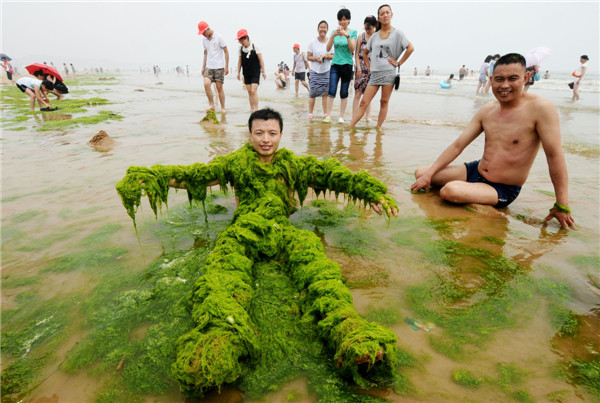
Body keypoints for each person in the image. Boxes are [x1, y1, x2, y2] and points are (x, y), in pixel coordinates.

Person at [116, 107, 400, 396]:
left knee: (317, 269)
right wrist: (152, 178)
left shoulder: (292, 165)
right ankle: (219, 339)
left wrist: (371, 193)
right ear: (250, 134)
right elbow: (195, 176)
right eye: (259, 133)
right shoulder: (236, 163)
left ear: (281, 135)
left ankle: (348, 331)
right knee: (223, 273)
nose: (266, 139)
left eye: (272, 133)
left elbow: (332, 175)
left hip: (282, 230)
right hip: (243, 230)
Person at [411, 53, 575, 229]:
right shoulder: (487, 111)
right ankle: (469, 189)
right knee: (421, 173)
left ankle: (470, 191)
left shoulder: (541, 108)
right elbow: (458, 145)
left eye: (512, 78)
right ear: (491, 80)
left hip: (503, 187)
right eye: (499, 79)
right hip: (476, 171)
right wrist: (429, 175)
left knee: (450, 191)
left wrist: (562, 204)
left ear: (526, 77)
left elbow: (554, 155)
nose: (505, 85)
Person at [349, 4, 414, 130]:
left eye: (387, 12)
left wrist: (399, 63)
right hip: (375, 74)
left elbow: (410, 48)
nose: (385, 15)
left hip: (389, 73)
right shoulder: (375, 36)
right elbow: (365, 53)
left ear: (391, 14)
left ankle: (378, 128)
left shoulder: (398, 33)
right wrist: (369, 67)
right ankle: (350, 127)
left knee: (383, 102)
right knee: (363, 102)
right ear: (378, 18)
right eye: (382, 13)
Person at [324, 8, 357, 123]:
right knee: (331, 90)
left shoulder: (353, 32)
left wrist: (347, 36)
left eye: (344, 19)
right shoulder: (334, 32)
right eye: (340, 20)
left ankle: (341, 117)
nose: (342, 22)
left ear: (348, 20)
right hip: (335, 64)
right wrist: (333, 36)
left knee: (344, 92)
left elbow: (352, 48)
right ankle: (327, 116)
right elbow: (328, 49)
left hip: (347, 65)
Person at [198, 21, 229, 112]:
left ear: (207, 29)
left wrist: (226, 66)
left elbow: (226, 52)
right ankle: (212, 105)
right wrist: (203, 67)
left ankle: (223, 107)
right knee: (206, 84)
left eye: (203, 32)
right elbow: (205, 53)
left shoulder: (219, 37)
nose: (203, 35)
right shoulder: (204, 40)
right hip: (209, 66)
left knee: (219, 88)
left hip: (219, 66)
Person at [307, 20, 334, 120]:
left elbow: (333, 56)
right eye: (321, 27)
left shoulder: (330, 42)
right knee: (312, 93)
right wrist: (316, 58)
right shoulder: (312, 42)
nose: (323, 29)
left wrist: (326, 56)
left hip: (326, 71)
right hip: (314, 70)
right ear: (318, 29)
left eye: (325, 27)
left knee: (325, 93)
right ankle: (310, 113)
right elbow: (308, 57)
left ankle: (325, 113)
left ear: (327, 30)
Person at [352, 15, 376, 124]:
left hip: (371, 67)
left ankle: (368, 117)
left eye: (370, 28)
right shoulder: (360, 37)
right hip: (360, 66)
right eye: (366, 28)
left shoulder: (376, 37)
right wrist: (358, 68)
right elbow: (356, 54)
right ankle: (354, 116)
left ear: (374, 26)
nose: (368, 30)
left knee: (368, 94)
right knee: (358, 93)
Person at [236, 29, 266, 112]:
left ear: (246, 38)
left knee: (253, 90)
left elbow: (261, 59)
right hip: (246, 72)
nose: (241, 42)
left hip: (255, 72)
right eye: (239, 41)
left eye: (241, 40)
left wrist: (263, 71)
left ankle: (256, 109)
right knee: (249, 92)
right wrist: (238, 72)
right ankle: (251, 109)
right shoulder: (240, 49)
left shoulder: (254, 46)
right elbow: (240, 61)